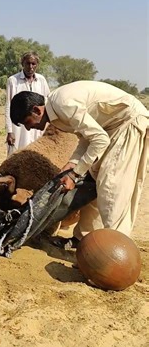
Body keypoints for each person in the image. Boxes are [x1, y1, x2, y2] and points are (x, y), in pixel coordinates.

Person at [10, 80, 149, 245]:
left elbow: (99, 139)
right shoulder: (56, 113)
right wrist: (73, 163)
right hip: (109, 129)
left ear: (36, 110)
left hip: (127, 124)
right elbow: (86, 137)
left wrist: (75, 174)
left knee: (111, 187)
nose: (28, 129)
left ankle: (116, 250)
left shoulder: (63, 104)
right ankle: (83, 240)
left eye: (27, 122)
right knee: (94, 182)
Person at [5, 51, 50, 155]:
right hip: (20, 126)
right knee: (17, 154)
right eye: (27, 63)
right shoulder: (13, 80)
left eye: (33, 64)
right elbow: (8, 106)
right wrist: (9, 131)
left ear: (37, 65)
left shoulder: (41, 80)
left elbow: (47, 101)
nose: (31, 67)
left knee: (36, 153)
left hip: (37, 123)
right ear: (22, 64)